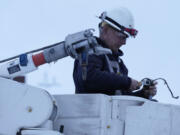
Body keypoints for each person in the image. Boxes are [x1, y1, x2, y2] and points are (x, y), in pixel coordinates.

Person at [73, 7, 157, 99]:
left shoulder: (119, 65)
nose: (124, 42)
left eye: (126, 38)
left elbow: (121, 98)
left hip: (110, 113)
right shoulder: (88, 53)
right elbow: (89, 78)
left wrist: (142, 94)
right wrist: (127, 82)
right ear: (105, 30)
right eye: (122, 36)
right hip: (90, 112)